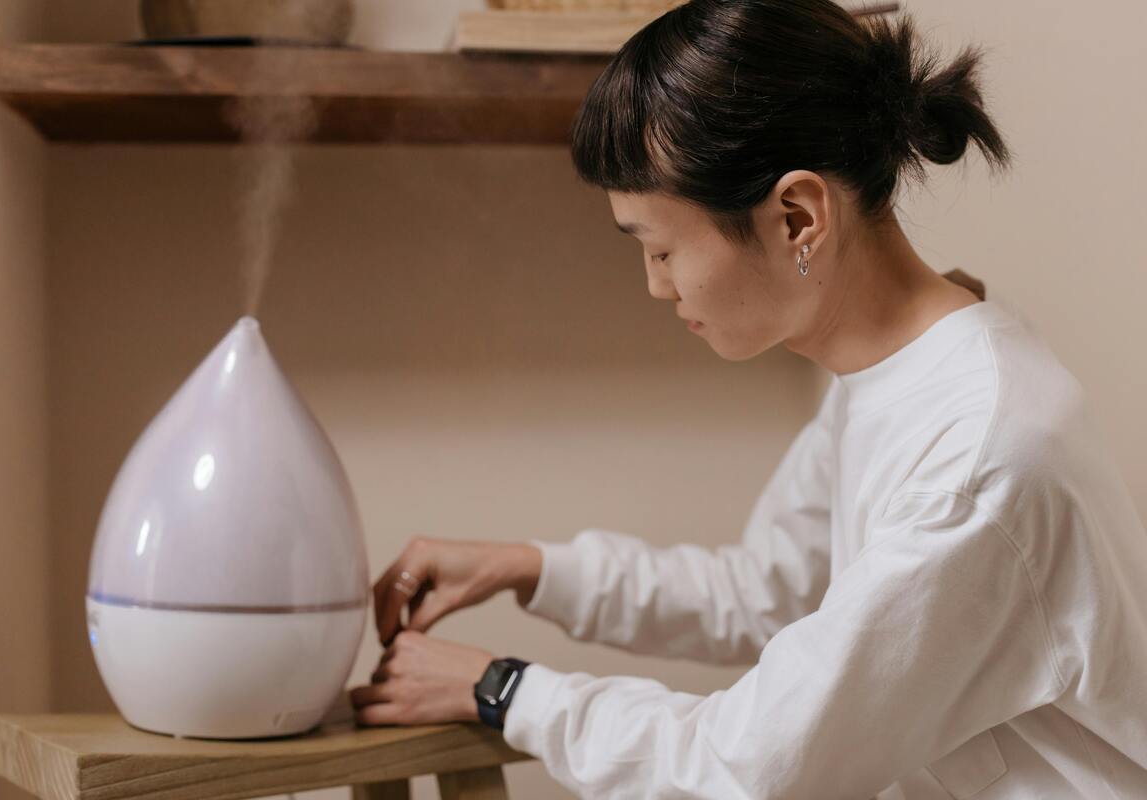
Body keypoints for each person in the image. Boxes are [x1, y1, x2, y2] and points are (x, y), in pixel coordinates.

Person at [349, 1, 1147, 797]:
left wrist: (505, 689)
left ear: (797, 217)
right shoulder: (894, 371)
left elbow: (752, 768)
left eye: (661, 249)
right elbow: (769, 591)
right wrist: (528, 568)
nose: (656, 287)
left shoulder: (976, 457)